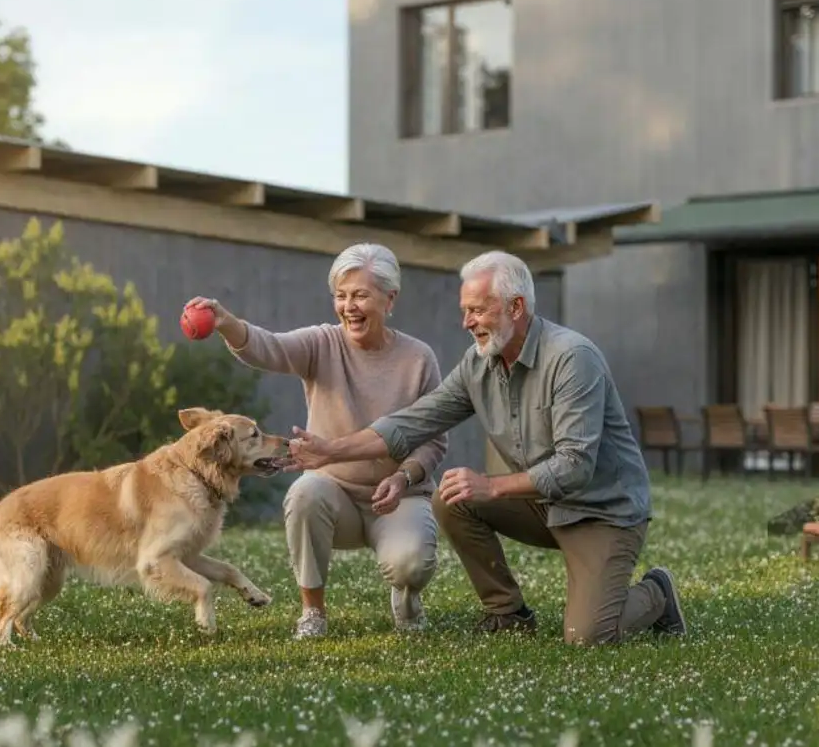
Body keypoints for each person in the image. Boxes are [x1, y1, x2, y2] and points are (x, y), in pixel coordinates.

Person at [286, 250, 686, 645]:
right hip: (542, 503)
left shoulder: (572, 359)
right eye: (465, 310)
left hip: (601, 511)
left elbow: (575, 466)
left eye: (477, 310)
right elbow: (414, 421)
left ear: (515, 307)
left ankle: (657, 593)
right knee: (454, 497)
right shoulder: (479, 364)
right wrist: (330, 451)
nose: (466, 322)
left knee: (589, 636)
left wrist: (492, 487)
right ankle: (507, 612)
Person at [184, 242, 448, 640]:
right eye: (341, 296)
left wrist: (405, 478)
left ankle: (406, 599)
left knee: (410, 564)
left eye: (360, 295)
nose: (349, 306)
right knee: (305, 493)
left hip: (398, 496)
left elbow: (434, 440)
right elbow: (266, 347)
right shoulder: (322, 343)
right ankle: (313, 613)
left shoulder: (419, 359)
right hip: (335, 494)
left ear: (389, 298)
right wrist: (224, 321)